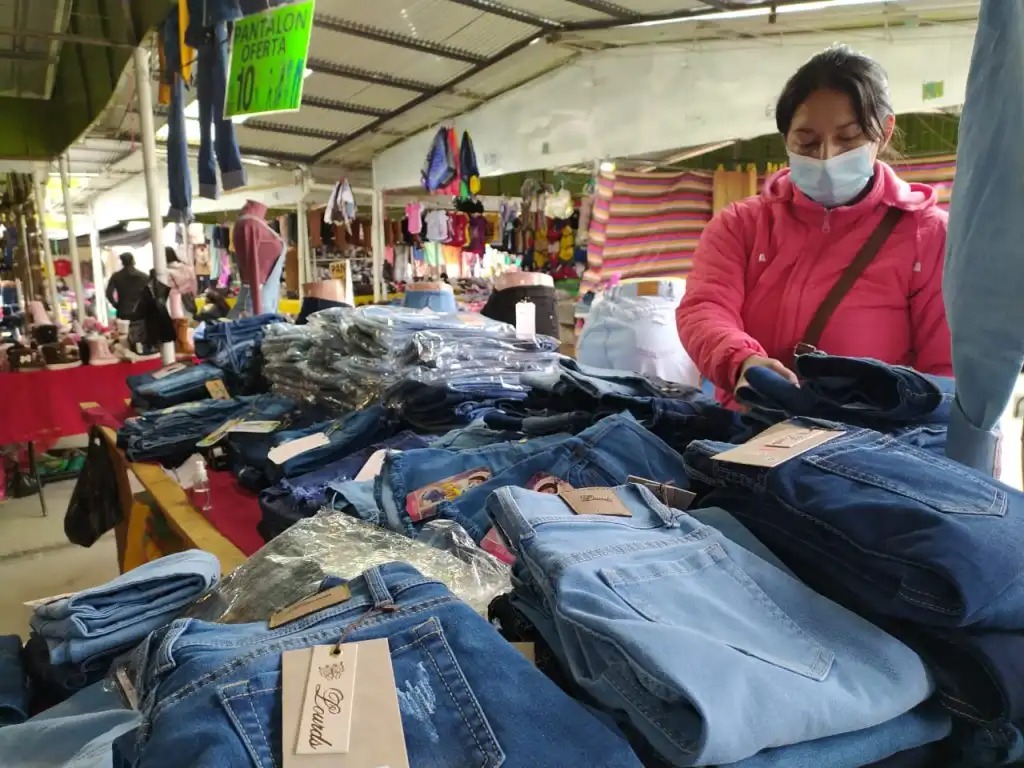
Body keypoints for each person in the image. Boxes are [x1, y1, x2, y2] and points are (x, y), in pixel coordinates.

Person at [676, 45, 952, 408]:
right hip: (747, 437)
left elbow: (945, 373)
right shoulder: (739, 226)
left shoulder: (929, 236)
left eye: (849, 139)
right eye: (806, 141)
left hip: (869, 450)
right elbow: (704, 307)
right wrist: (741, 361)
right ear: (785, 139)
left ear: (884, 133)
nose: (826, 157)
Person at [104, 253, 148, 323]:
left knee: (124, 332)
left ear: (122, 262)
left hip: (123, 310)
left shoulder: (116, 276)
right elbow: (150, 294)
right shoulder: (144, 276)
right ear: (133, 261)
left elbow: (108, 293)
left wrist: (116, 305)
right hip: (140, 311)